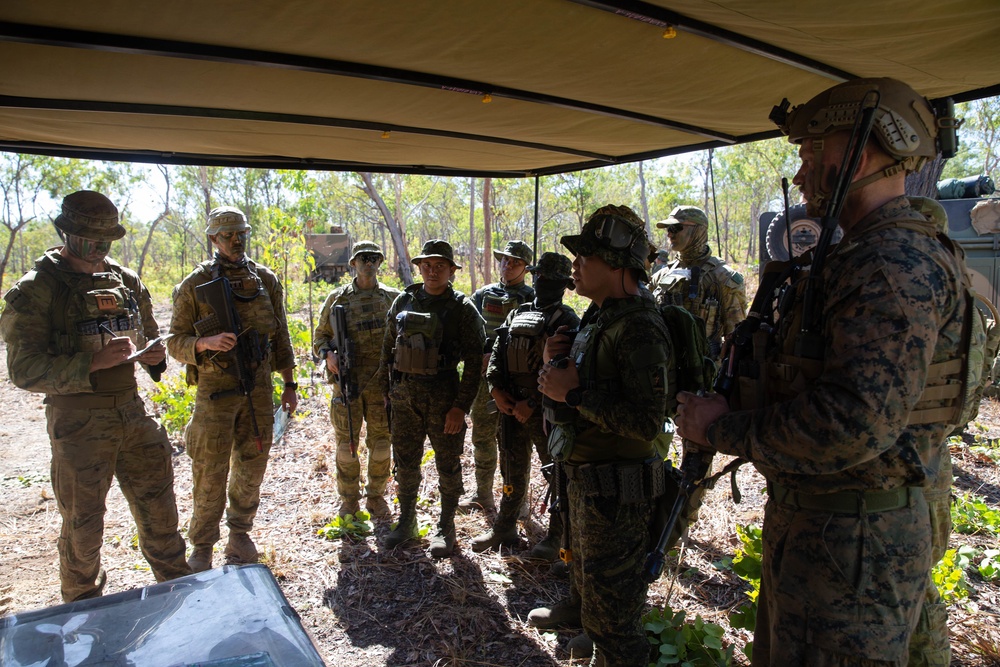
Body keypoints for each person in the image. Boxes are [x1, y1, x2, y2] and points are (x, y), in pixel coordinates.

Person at [676, 77, 964, 665]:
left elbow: (853, 424)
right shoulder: (863, 255)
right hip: (834, 537)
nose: (803, 174)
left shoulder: (890, 265)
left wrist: (721, 429)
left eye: (813, 155)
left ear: (859, 154)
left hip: (853, 553)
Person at [0, 190, 190, 601]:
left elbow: (150, 336)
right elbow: (23, 370)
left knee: (162, 520)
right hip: (79, 426)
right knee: (83, 530)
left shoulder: (125, 281)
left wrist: (153, 356)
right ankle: (81, 614)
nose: (98, 249)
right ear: (65, 232)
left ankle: (180, 604)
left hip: (133, 416)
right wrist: (91, 364)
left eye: (106, 242)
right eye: (89, 239)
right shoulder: (37, 290)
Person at [532, 205, 671, 667]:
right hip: (586, 479)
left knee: (617, 626)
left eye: (585, 256)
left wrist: (573, 397)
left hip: (618, 493)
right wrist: (556, 368)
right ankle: (586, 622)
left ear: (615, 265)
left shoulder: (638, 325)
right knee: (590, 584)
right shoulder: (598, 316)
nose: (574, 265)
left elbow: (647, 423)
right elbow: (581, 383)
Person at [167, 206, 298, 573]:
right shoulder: (195, 285)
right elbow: (173, 342)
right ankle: (203, 545)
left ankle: (240, 534)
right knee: (209, 470)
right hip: (215, 391)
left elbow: (282, 337)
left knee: (252, 464)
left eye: (241, 233)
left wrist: (289, 384)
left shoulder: (266, 280)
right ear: (213, 239)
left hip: (258, 388)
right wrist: (205, 343)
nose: (235, 241)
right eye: (227, 236)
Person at [378, 239, 485, 558]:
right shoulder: (404, 300)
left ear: (452, 270)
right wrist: (386, 392)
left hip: (444, 400)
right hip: (404, 398)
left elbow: (476, 361)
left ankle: (446, 527)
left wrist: (460, 407)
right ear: (419, 267)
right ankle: (407, 520)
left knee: (448, 466)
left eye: (440, 266)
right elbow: (387, 349)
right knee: (406, 463)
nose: (432, 271)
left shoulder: (462, 308)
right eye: (427, 265)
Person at [471, 252, 580, 556]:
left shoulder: (567, 320)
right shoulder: (516, 313)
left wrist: (533, 401)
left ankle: (558, 535)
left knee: (555, 474)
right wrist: (495, 388)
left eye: (555, 281)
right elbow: (496, 352)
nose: (546, 284)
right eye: (541, 277)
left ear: (564, 285)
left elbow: (566, 370)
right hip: (509, 407)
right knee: (512, 469)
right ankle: (504, 526)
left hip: (546, 412)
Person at [313, 241, 400, 519]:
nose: (369, 263)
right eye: (363, 258)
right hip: (347, 384)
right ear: (353, 263)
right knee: (347, 446)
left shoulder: (392, 298)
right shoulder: (337, 299)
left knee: (381, 444)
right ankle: (349, 500)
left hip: (380, 386)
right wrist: (328, 355)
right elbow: (320, 338)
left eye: (374, 258)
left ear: (380, 262)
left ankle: (375, 496)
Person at [461, 240, 535, 513]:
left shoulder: (533, 297)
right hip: (485, 382)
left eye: (515, 261)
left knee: (516, 443)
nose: (508, 264)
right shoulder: (482, 295)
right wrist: (480, 354)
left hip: (518, 382)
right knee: (482, 436)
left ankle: (518, 500)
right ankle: (483, 492)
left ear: (526, 267)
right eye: (505, 259)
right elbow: (469, 331)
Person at [650, 206, 747, 362]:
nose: (669, 234)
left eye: (676, 228)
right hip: (664, 369)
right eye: (668, 228)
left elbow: (736, 337)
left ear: (698, 231)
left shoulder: (723, 278)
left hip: (704, 375)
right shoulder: (661, 276)